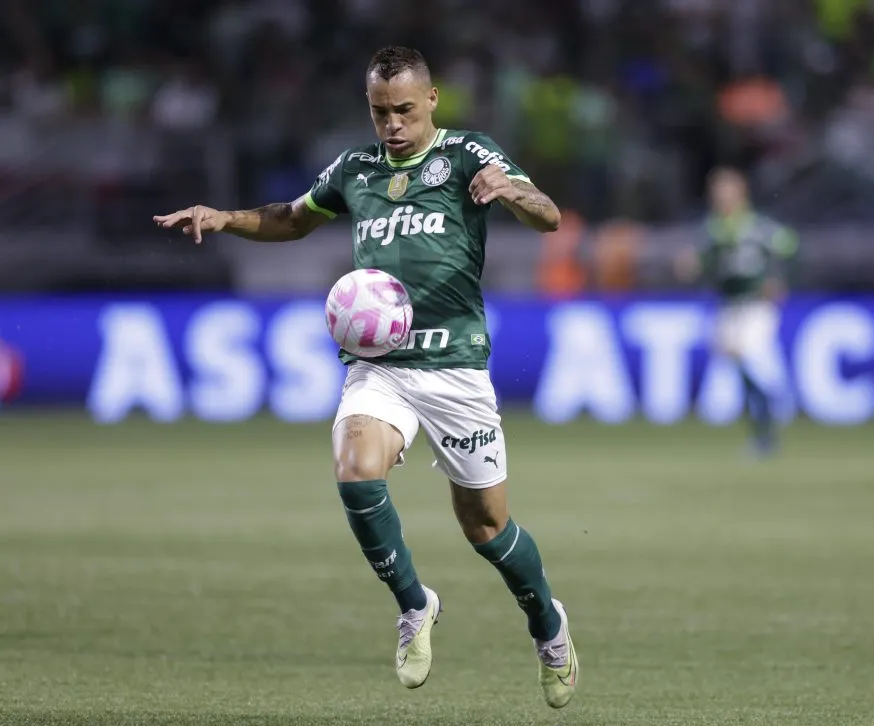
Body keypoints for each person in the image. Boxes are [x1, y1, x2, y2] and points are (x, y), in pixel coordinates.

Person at [153, 46, 577, 709]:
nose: (392, 125)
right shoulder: (355, 169)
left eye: (404, 110)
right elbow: (293, 218)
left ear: (431, 100)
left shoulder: (468, 154)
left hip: (455, 367)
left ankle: (548, 626)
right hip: (380, 367)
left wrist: (513, 190)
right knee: (355, 469)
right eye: (380, 112)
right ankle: (414, 604)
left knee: (487, 528)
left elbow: (548, 217)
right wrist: (223, 219)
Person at [676, 167, 798, 456]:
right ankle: (763, 424)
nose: (721, 196)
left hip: (756, 304)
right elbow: (699, 261)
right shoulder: (713, 229)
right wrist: (690, 265)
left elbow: (791, 248)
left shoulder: (757, 226)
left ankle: (768, 424)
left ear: (741, 192)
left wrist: (778, 279)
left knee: (745, 355)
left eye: (726, 190)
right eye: (717, 191)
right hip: (729, 306)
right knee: (736, 362)